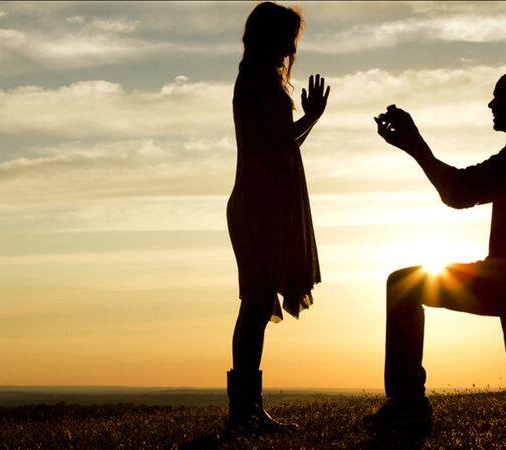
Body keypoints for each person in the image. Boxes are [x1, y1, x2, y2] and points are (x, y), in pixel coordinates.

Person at [366, 72, 506, 427]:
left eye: (499, 97)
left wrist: (415, 144)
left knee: (403, 285)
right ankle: (407, 403)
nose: (491, 105)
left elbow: (458, 191)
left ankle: (408, 405)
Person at [226, 1, 330, 434]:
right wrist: (311, 116)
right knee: (254, 305)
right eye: (287, 37)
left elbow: (281, 147)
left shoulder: (259, 79)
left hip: (264, 200)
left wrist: (309, 120)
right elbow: (277, 141)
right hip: (259, 203)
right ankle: (246, 411)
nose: (292, 46)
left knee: (255, 302)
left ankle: (249, 409)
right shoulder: (257, 80)